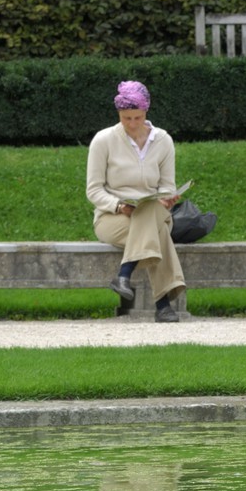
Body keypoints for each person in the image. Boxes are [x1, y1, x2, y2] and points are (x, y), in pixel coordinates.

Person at [85, 81, 186, 322]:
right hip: (113, 218)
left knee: (151, 213)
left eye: (137, 118)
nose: (131, 124)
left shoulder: (163, 140)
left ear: (146, 112)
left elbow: (167, 186)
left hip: (155, 212)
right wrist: (119, 206)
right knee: (156, 232)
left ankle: (124, 275)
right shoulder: (103, 140)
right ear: (118, 114)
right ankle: (163, 306)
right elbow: (94, 190)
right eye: (125, 118)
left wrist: (165, 200)